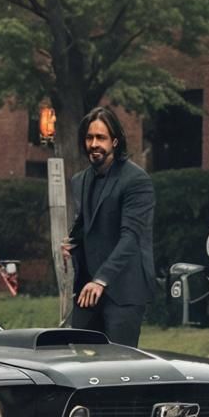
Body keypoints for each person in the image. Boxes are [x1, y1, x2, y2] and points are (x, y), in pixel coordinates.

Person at [61, 107, 155, 348]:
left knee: (120, 368)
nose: (94, 144)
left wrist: (102, 279)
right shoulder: (80, 180)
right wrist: (72, 244)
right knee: (78, 358)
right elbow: (88, 226)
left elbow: (131, 237)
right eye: (89, 137)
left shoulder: (136, 180)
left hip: (124, 290)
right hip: (87, 290)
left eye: (101, 138)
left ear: (114, 141)